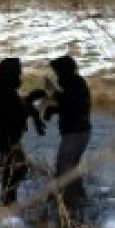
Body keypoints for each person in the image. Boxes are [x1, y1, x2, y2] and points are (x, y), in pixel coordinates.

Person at [0, 58, 46, 205]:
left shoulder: (4, 89)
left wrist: (30, 102)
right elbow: (14, 113)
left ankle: (9, 201)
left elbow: (17, 108)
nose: (19, 76)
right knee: (17, 169)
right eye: (17, 72)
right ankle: (8, 203)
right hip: (8, 138)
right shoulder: (4, 91)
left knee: (16, 168)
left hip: (8, 137)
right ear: (10, 73)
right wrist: (31, 103)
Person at [42, 55, 93, 204]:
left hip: (75, 134)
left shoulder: (74, 84)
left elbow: (71, 107)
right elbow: (68, 101)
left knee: (63, 168)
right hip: (81, 132)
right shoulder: (75, 82)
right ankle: (79, 200)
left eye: (58, 72)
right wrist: (55, 96)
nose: (58, 76)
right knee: (72, 169)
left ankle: (56, 203)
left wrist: (53, 108)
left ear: (67, 70)